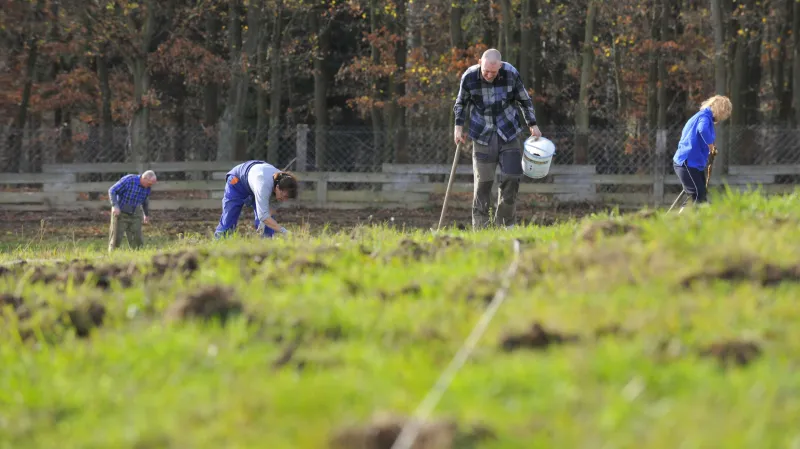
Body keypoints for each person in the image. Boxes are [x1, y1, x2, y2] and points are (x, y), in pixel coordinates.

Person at [453, 48, 542, 230]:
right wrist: (458, 127)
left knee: (512, 177)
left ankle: (505, 224)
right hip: (482, 134)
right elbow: (461, 103)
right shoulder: (469, 77)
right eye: (486, 71)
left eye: (493, 72)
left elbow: (524, 100)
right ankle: (481, 228)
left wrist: (532, 124)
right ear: (480, 63)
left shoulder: (511, 73)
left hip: (508, 132)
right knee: (483, 183)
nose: (488, 75)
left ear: (500, 66)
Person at [672, 94, 732, 212]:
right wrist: (710, 146)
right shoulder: (704, 117)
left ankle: (700, 222)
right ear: (719, 109)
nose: (722, 118)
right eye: (724, 114)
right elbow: (702, 129)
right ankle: (680, 222)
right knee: (696, 194)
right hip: (686, 162)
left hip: (694, 164)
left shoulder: (704, 117)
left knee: (701, 195)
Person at [214, 160, 298, 239]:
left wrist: (262, 223)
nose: (284, 200)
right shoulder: (264, 184)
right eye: (284, 196)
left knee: (267, 224)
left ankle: (266, 243)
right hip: (238, 180)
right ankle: (220, 240)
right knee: (230, 215)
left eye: (287, 198)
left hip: (255, 183)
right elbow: (263, 216)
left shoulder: (281, 183)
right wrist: (284, 232)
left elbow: (270, 211)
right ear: (277, 188)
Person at [107, 170, 157, 252]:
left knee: (137, 237)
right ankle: (112, 255)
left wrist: (146, 214)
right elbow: (112, 190)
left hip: (135, 212)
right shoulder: (129, 180)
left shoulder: (147, 187)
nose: (150, 186)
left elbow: (145, 200)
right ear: (144, 178)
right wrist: (115, 206)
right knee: (116, 237)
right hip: (120, 211)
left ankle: (138, 254)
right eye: (149, 183)